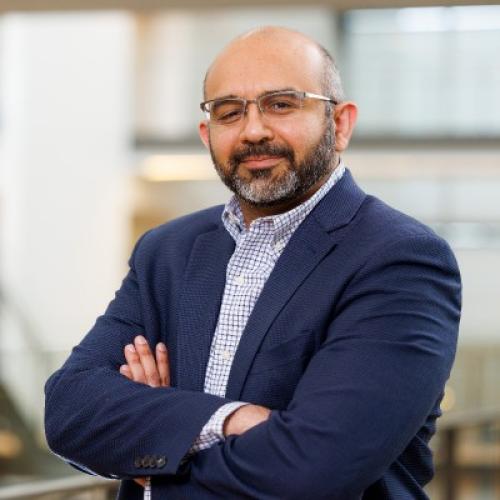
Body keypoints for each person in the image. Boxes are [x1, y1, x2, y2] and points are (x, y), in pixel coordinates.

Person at [44, 26, 461, 499]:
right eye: (229, 112)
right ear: (207, 135)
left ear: (340, 124)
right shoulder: (166, 251)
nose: (254, 130)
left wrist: (161, 442)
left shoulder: (400, 258)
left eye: (281, 104)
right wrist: (232, 420)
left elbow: (313, 468)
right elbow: (69, 410)